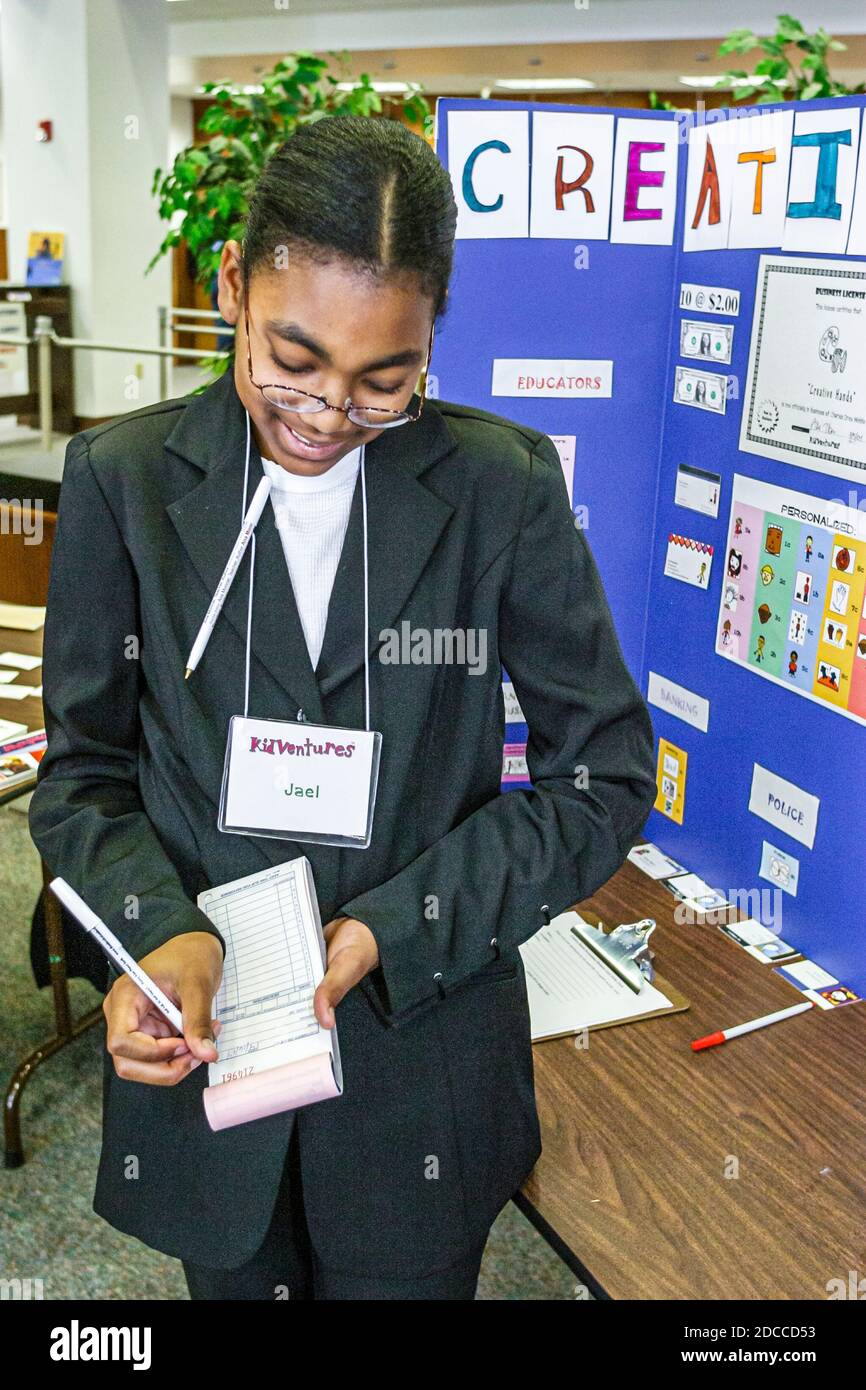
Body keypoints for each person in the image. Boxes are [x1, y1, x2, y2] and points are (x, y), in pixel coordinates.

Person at [28, 115, 657, 1301]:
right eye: (293, 359)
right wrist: (156, 934)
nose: (325, 411)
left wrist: (393, 930)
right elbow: (83, 775)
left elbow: (602, 778)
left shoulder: (498, 489)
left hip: (418, 1063)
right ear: (229, 286)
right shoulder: (124, 480)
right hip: (205, 1063)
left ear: (431, 340)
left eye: (385, 378)